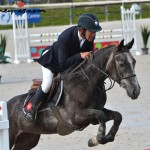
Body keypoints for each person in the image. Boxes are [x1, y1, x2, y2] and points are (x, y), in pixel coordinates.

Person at [24, 13, 102, 122]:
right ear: (82, 30)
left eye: (95, 32)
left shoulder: (89, 37)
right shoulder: (65, 37)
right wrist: (80, 55)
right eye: (92, 31)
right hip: (52, 61)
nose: (94, 34)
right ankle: (31, 109)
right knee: (47, 84)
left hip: (69, 63)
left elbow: (86, 58)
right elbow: (62, 66)